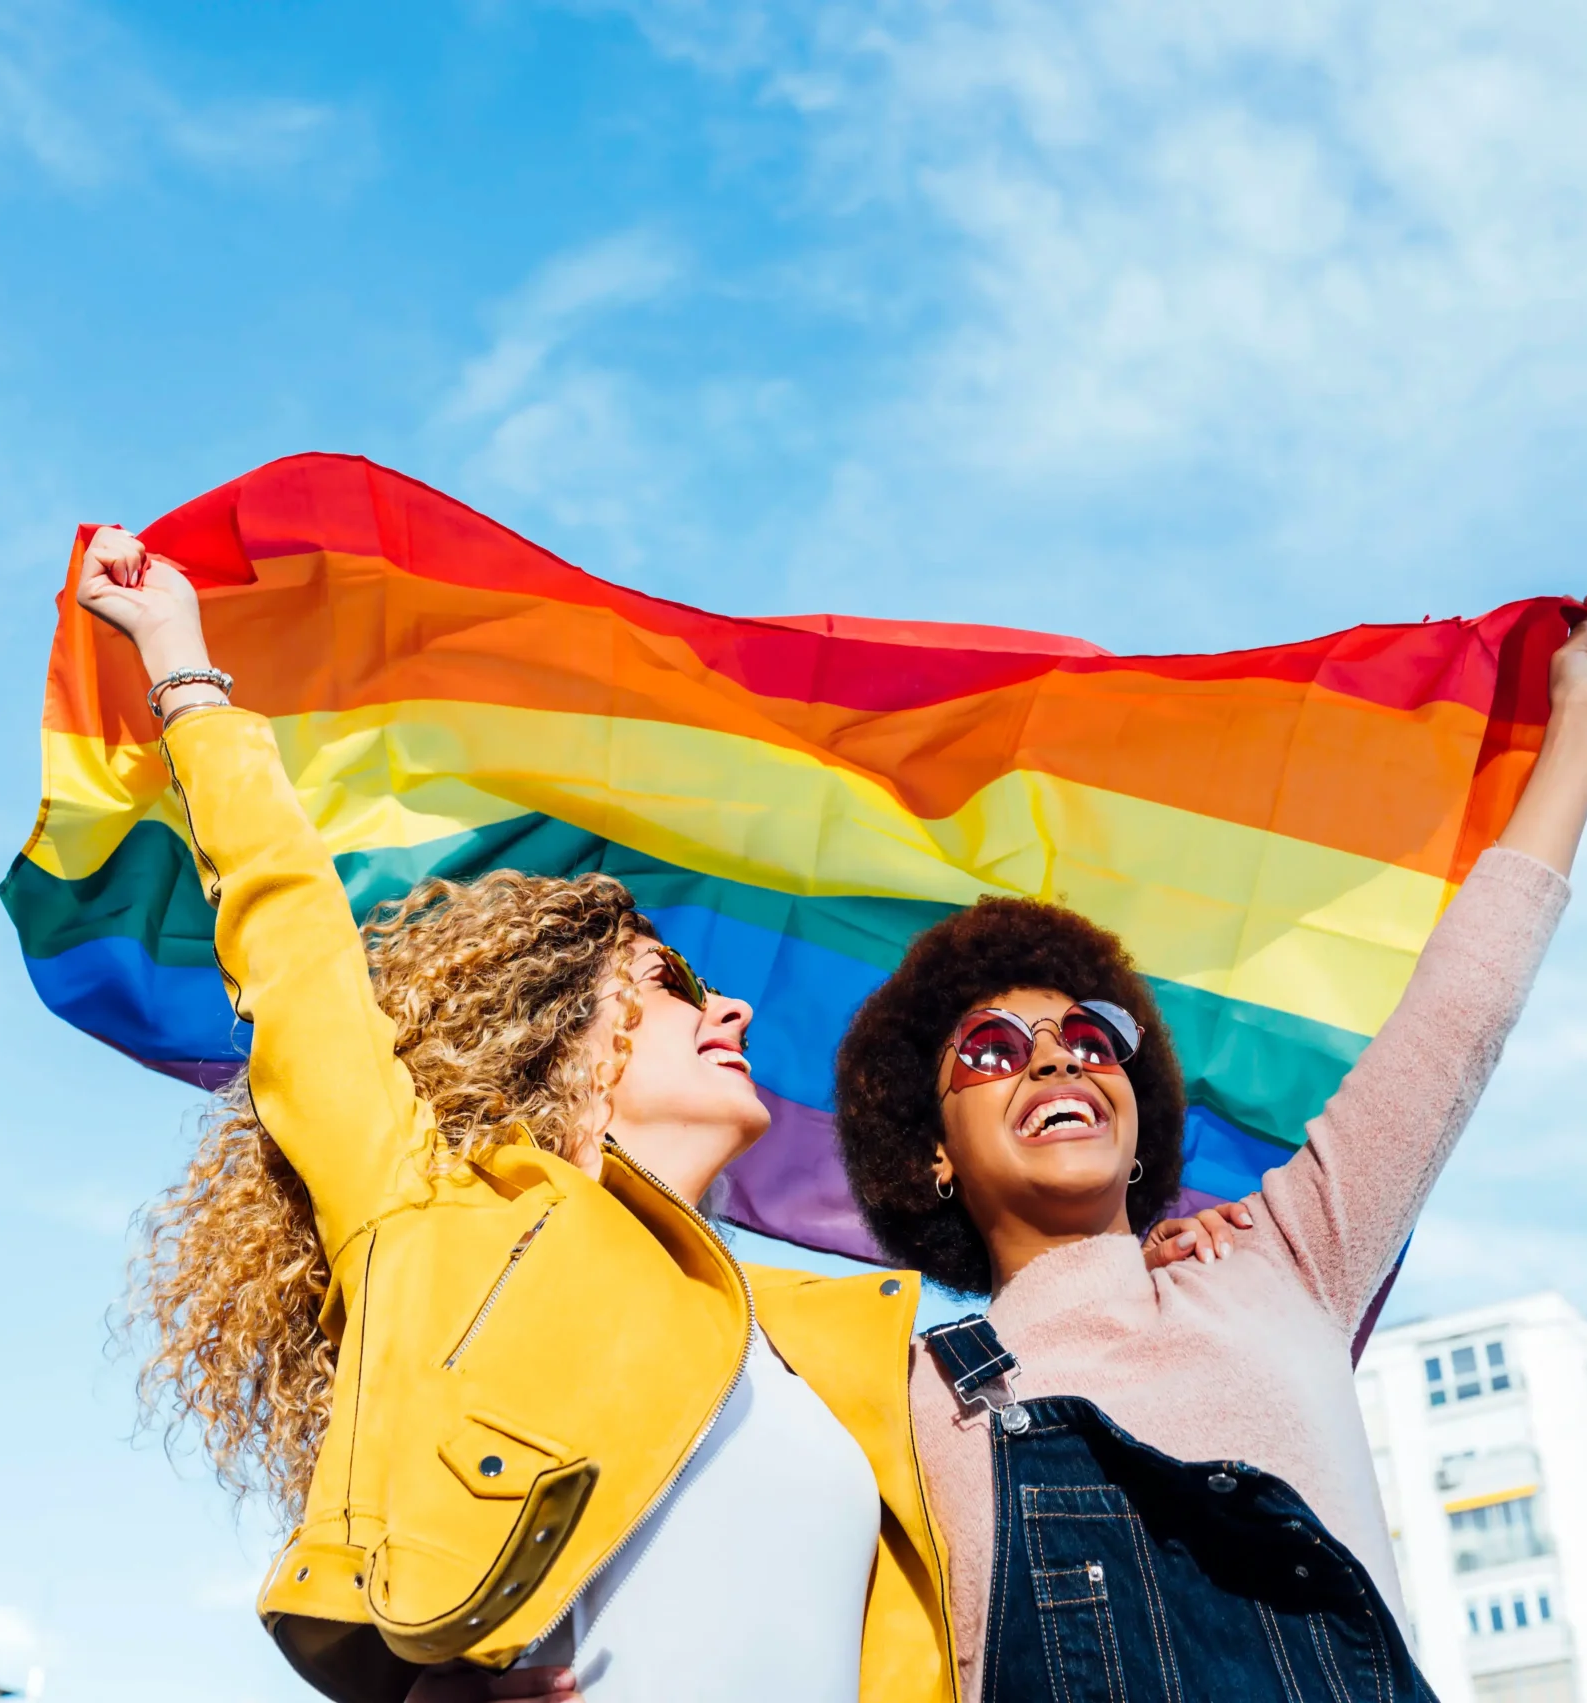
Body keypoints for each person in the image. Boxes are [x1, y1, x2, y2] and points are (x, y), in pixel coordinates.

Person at [74, 527, 958, 1703]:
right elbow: (297, 955)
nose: (730, 1004)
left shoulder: (826, 1337)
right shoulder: (436, 1220)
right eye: (669, 981)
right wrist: (181, 664)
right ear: (552, 1034)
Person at [831, 597, 1587, 1702]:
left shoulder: (1284, 1262)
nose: (1056, 1061)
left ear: (1138, 1127)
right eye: (992, 1049)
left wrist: (1583, 728)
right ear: (929, 1150)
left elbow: (1455, 1020)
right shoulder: (896, 1394)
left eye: (1092, 1039)